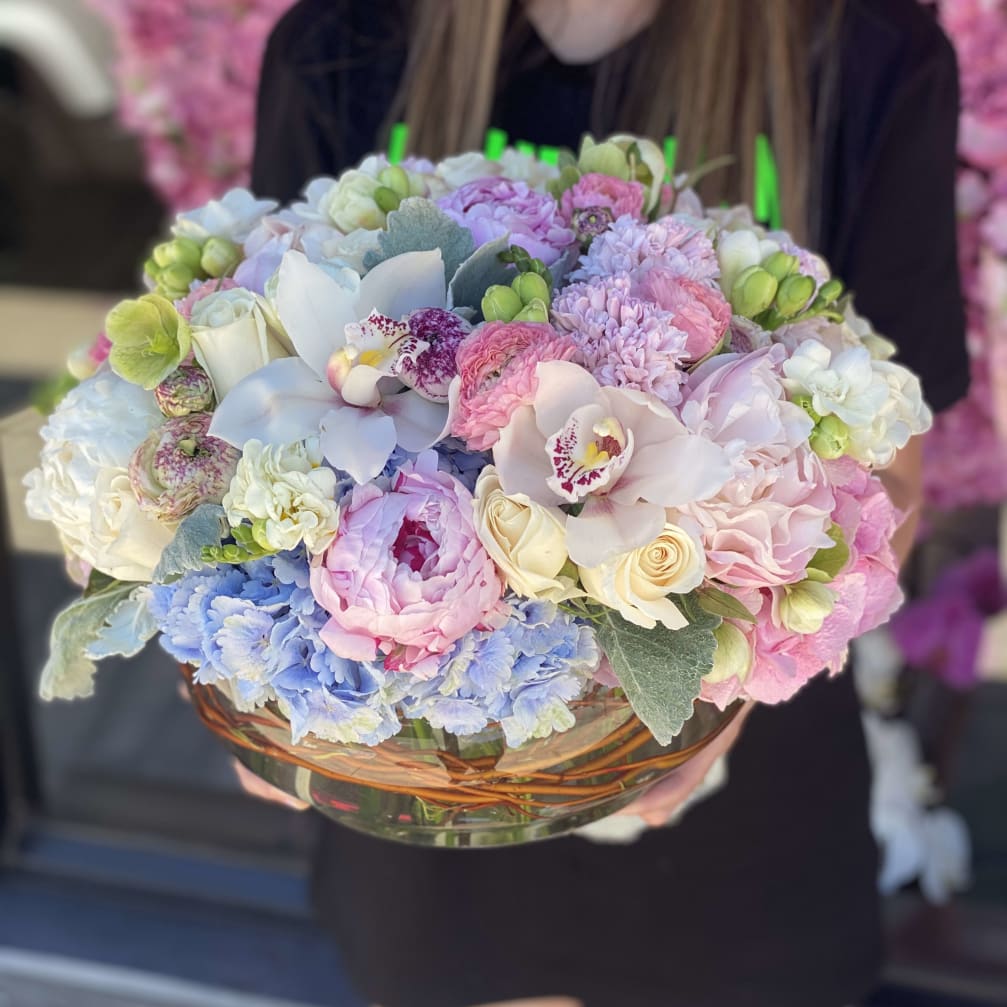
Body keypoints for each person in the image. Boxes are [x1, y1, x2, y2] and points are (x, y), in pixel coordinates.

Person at [248, 2, 970, 1005]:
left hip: (735, 830)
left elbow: (887, 480)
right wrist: (256, 684)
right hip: (434, 815)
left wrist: (715, 681)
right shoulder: (343, 45)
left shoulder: (860, 51)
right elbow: (257, 423)